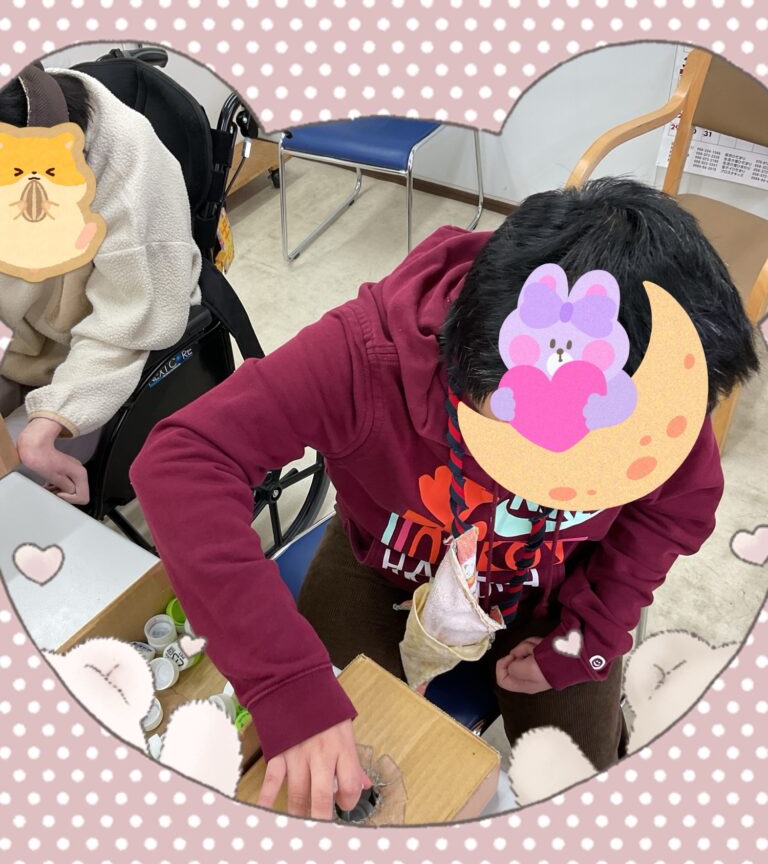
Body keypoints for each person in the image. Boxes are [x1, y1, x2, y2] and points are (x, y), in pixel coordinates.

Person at [130, 178, 760, 821]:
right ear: (471, 370)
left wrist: (592, 630)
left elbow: (678, 507)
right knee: (341, 778)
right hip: (390, 564)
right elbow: (183, 459)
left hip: (557, 592)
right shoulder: (366, 354)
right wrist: (287, 685)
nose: (556, 484)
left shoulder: (648, 405)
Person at [0, 65, 201, 504]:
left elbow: (128, 321)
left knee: (9, 481)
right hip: (17, 343)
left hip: (95, 356)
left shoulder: (129, 166)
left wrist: (53, 417)